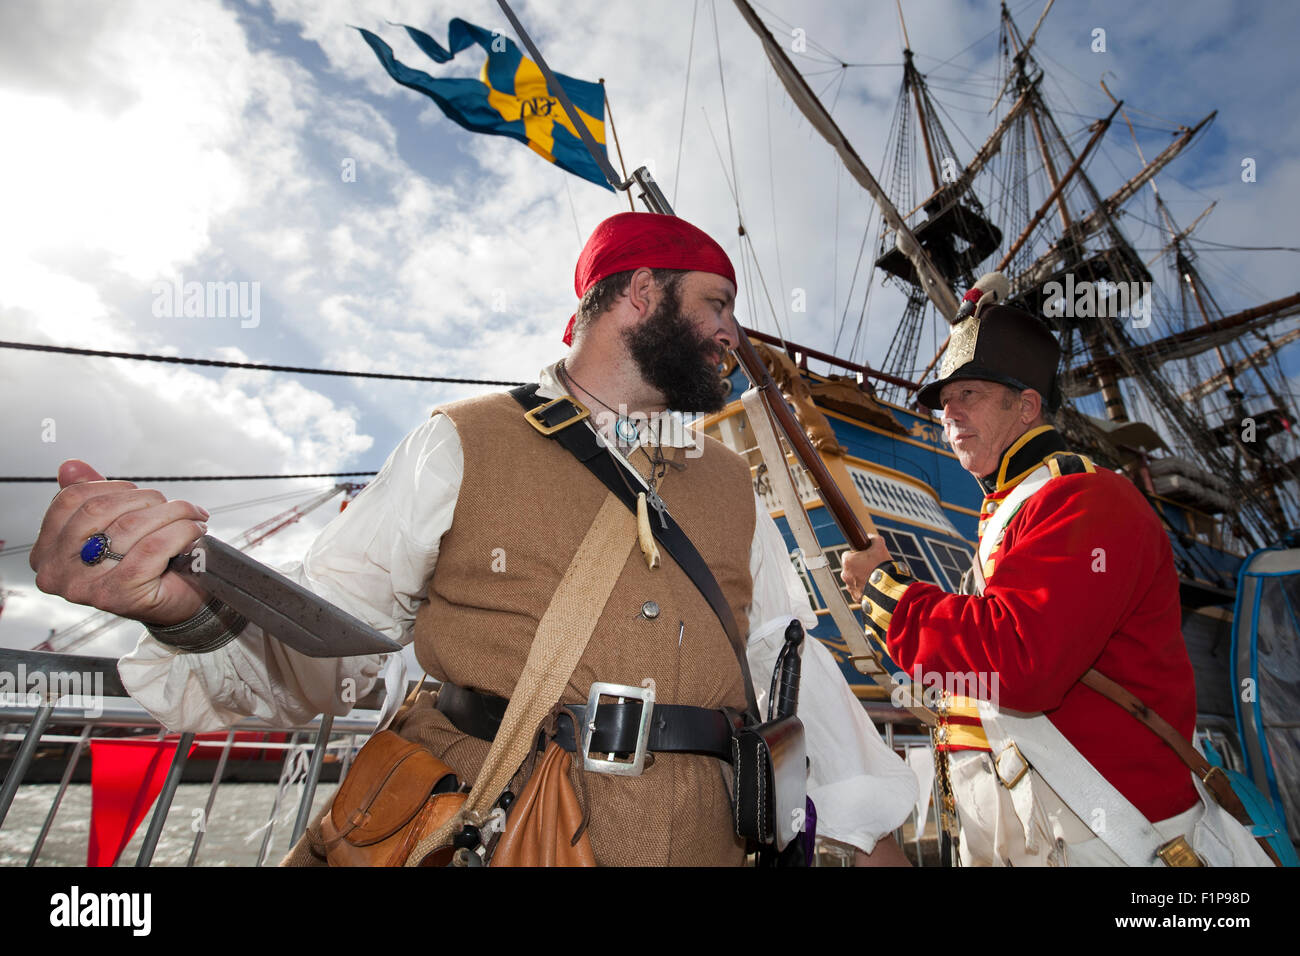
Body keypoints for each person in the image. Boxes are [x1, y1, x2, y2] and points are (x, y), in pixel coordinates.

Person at [31, 212, 915, 866]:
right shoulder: (463, 438)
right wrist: (189, 615)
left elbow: (781, 659)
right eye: (716, 302)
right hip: (490, 827)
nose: (732, 332)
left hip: (705, 840)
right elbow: (330, 644)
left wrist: (862, 822)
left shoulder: (731, 481)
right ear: (640, 293)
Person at [839, 301, 1271, 866]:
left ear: (1026, 407)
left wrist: (887, 595)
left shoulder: (1086, 499)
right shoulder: (1012, 512)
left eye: (969, 393)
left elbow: (1019, 660)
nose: (949, 412)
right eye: (944, 401)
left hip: (1114, 843)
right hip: (1044, 834)